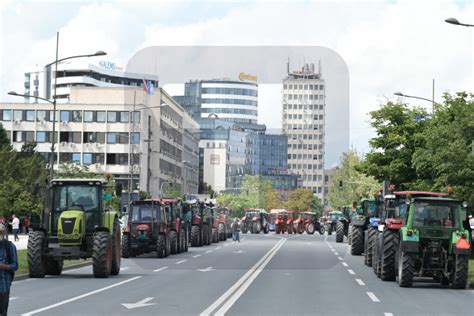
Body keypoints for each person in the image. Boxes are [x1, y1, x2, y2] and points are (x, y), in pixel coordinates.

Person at [0, 223, 18, 316]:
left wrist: (4, 266)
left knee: (3, 313)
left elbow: (15, 266)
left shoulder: (9, 246)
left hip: (3, 285)